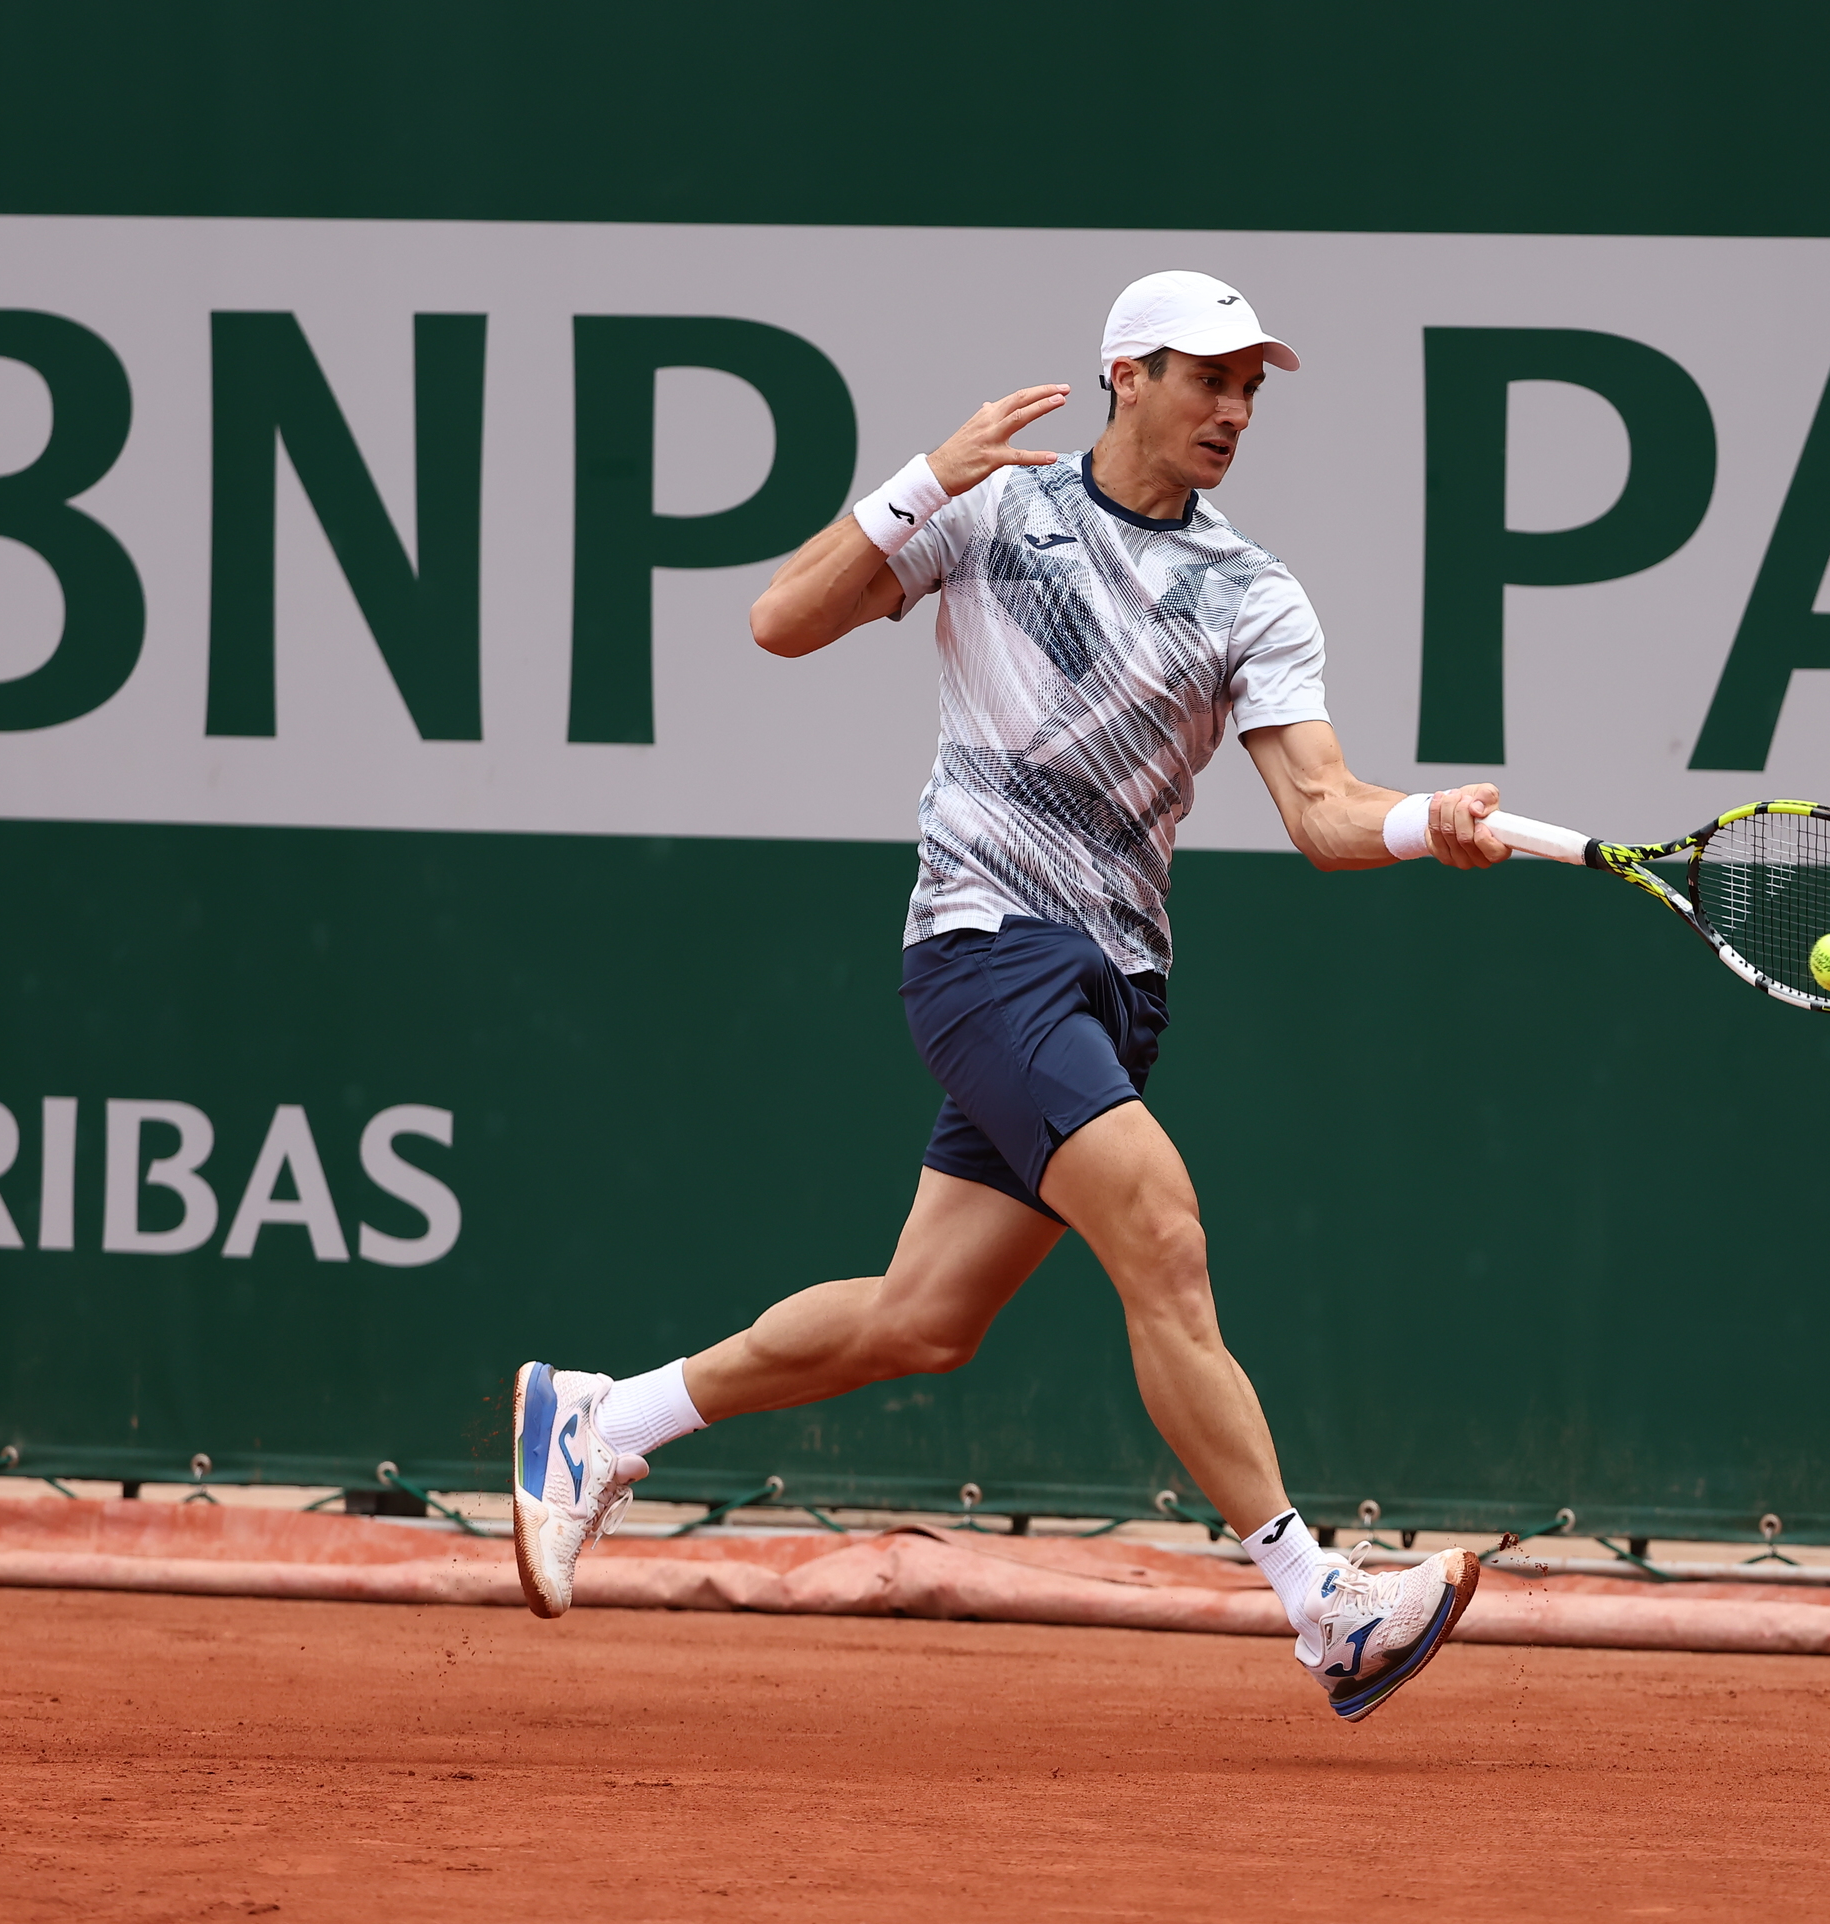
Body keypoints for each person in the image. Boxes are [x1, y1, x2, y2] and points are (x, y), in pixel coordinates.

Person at [509, 272, 1516, 1722]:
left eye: (1252, 386)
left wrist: (1430, 821)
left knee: (922, 1318)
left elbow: (1322, 807)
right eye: (1206, 377)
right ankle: (1325, 1602)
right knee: (1161, 1227)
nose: (1233, 408)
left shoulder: (1254, 590)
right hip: (988, 946)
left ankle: (608, 1419)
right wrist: (919, 482)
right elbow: (782, 622)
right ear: (1126, 374)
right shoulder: (992, 515)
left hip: (1119, 983)